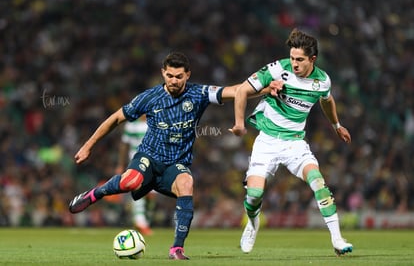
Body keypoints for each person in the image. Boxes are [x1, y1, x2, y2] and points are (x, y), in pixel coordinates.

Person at [68, 51, 268, 260]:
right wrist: (88, 146)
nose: (174, 80)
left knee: (186, 183)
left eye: (179, 76)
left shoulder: (199, 93)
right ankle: (94, 194)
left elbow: (236, 90)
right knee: (130, 182)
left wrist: (265, 89)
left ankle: (176, 249)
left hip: (175, 164)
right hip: (149, 157)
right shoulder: (149, 97)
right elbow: (116, 118)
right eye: (170, 75)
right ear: (163, 73)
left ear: (187, 75)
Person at [230, 28, 353, 256]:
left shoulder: (322, 81)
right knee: (254, 195)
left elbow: (327, 100)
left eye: (299, 60)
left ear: (312, 59)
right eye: (292, 58)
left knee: (317, 181)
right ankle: (253, 222)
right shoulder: (278, 69)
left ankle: (337, 238)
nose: (294, 63)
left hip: (295, 143)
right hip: (267, 141)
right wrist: (239, 123)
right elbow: (242, 90)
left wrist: (337, 125)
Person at [115, 115, 155, 236]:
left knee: (151, 196)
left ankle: (144, 221)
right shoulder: (131, 125)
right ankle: (140, 221)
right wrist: (121, 165)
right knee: (138, 188)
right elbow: (124, 145)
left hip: (153, 162)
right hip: (136, 161)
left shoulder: (154, 122)